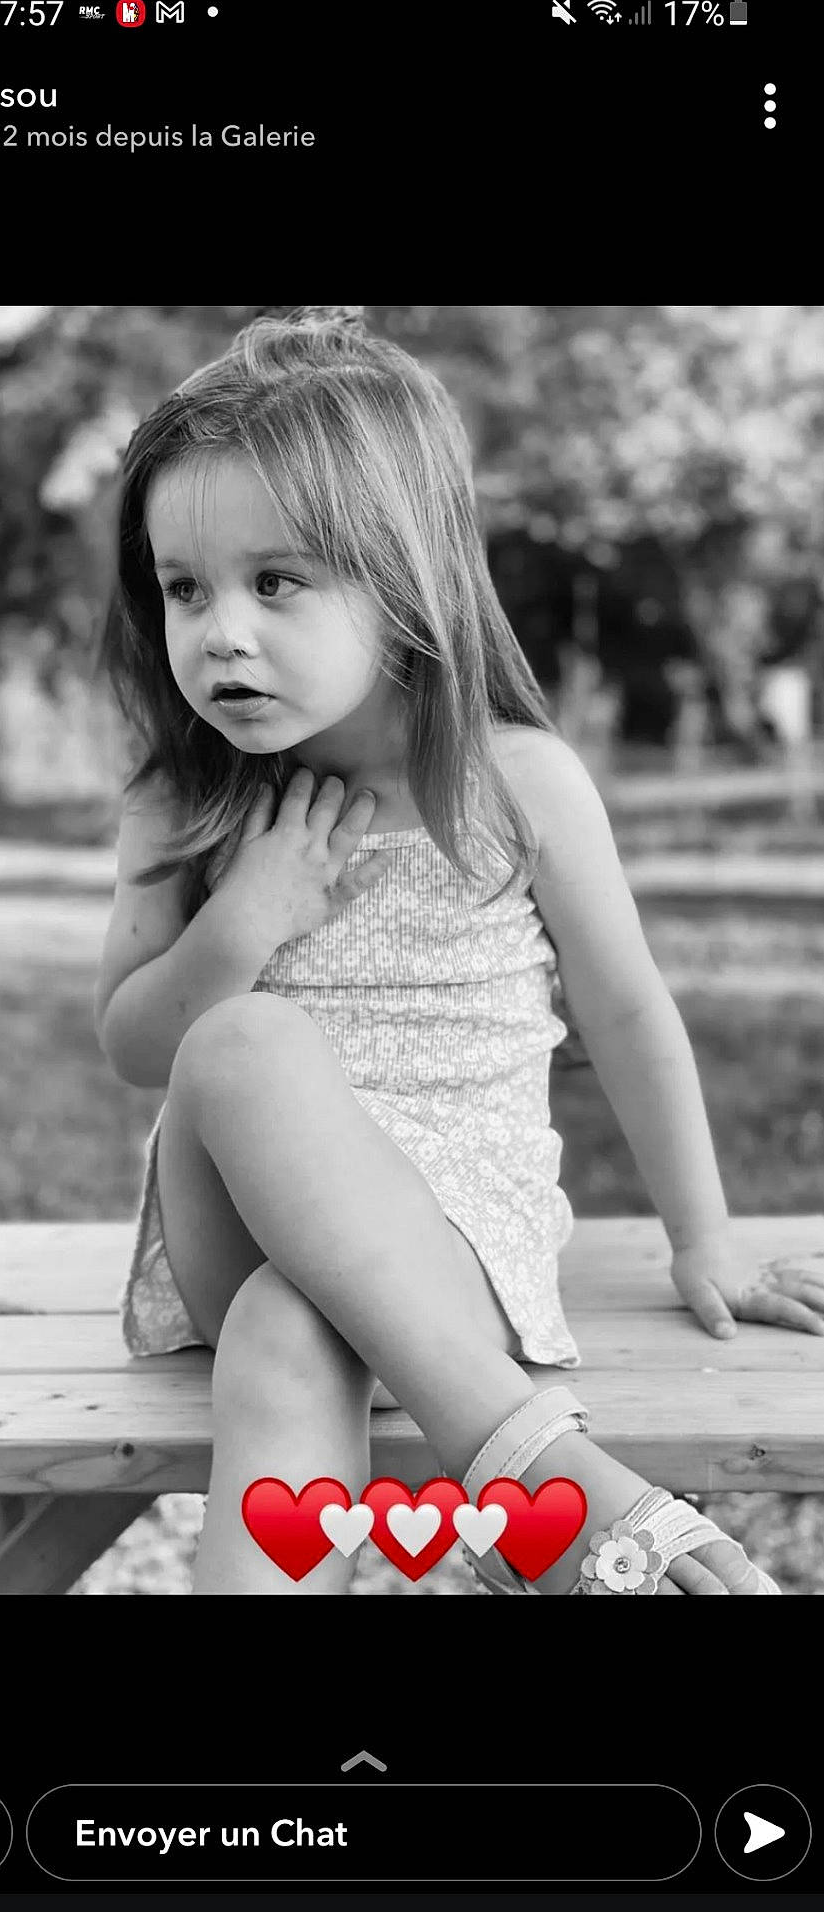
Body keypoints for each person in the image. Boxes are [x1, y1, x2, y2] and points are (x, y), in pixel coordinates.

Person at [93, 306, 823, 1597]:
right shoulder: (185, 802)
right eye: (183, 588)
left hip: (458, 1235)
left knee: (285, 1327)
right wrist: (245, 920)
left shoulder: (513, 783)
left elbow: (627, 1012)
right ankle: (532, 1457)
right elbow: (135, 1046)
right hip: (236, 1220)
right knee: (245, 1039)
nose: (219, 635)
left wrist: (700, 1239)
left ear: (402, 575)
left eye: (276, 583)